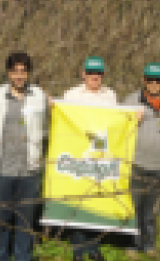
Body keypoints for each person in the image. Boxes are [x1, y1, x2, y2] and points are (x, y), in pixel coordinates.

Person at [0, 52, 49, 261]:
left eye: (23, 71)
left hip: (29, 171)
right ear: (8, 73)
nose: (19, 76)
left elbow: (50, 126)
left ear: (29, 73)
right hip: (3, 170)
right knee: (2, 221)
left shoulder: (40, 97)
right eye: (15, 71)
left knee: (25, 222)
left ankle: (23, 256)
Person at [62, 57, 119, 261]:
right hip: (78, 155)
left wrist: (133, 117)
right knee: (78, 204)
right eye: (91, 72)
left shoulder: (111, 95)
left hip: (101, 155)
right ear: (83, 73)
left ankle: (94, 249)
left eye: (98, 73)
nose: (95, 76)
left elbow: (117, 123)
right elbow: (63, 121)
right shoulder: (71, 95)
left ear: (103, 75)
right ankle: (78, 251)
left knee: (96, 203)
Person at [122, 62, 160, 257]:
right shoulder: (131, 100)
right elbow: (119, 127)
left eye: (158, 80)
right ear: (143, 80)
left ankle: (149, 244)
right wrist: (130, 120)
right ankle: (132, 245)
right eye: (150, 80)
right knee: (134, 207)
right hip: (136, 163)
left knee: (153, 209)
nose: (154, 83)